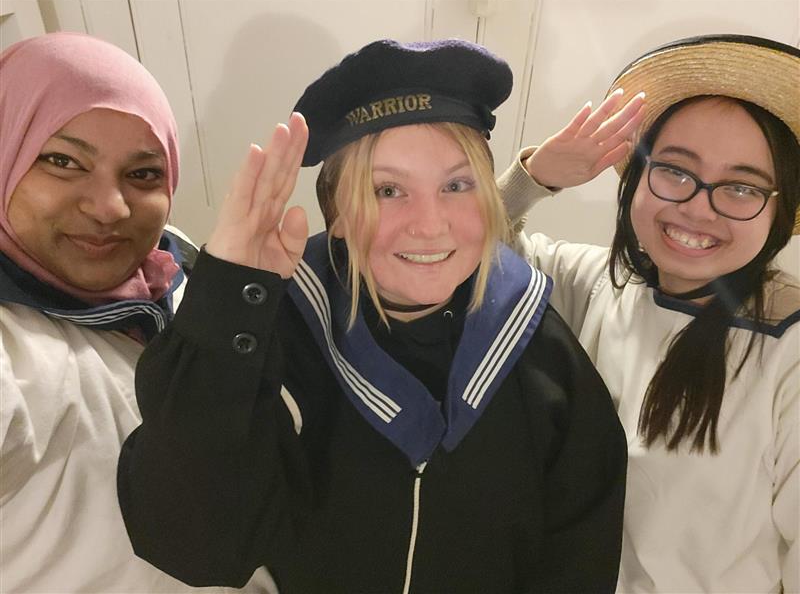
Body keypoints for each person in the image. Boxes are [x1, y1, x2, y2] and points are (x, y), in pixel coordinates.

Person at [118, 39, 630, 593]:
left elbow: (579, 559)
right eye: (387, 190)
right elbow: (198, 546)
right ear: (336, 215)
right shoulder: (278, 336)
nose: (429, 225)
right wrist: (223, 303)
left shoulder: (541, 352)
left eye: (457, 185)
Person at [499, 34, 799, 592]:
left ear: (778, 211)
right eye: (675, 171)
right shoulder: (598, 284)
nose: (698, 208)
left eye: (741, 187)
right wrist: (534, 179)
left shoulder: (790, 347)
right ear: (638, 175)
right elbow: (459, 254)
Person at [0, 32, 271, 593]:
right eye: (62, 161)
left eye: (143, 173)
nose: (110, 208)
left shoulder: (170, 267)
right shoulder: (17, 351)